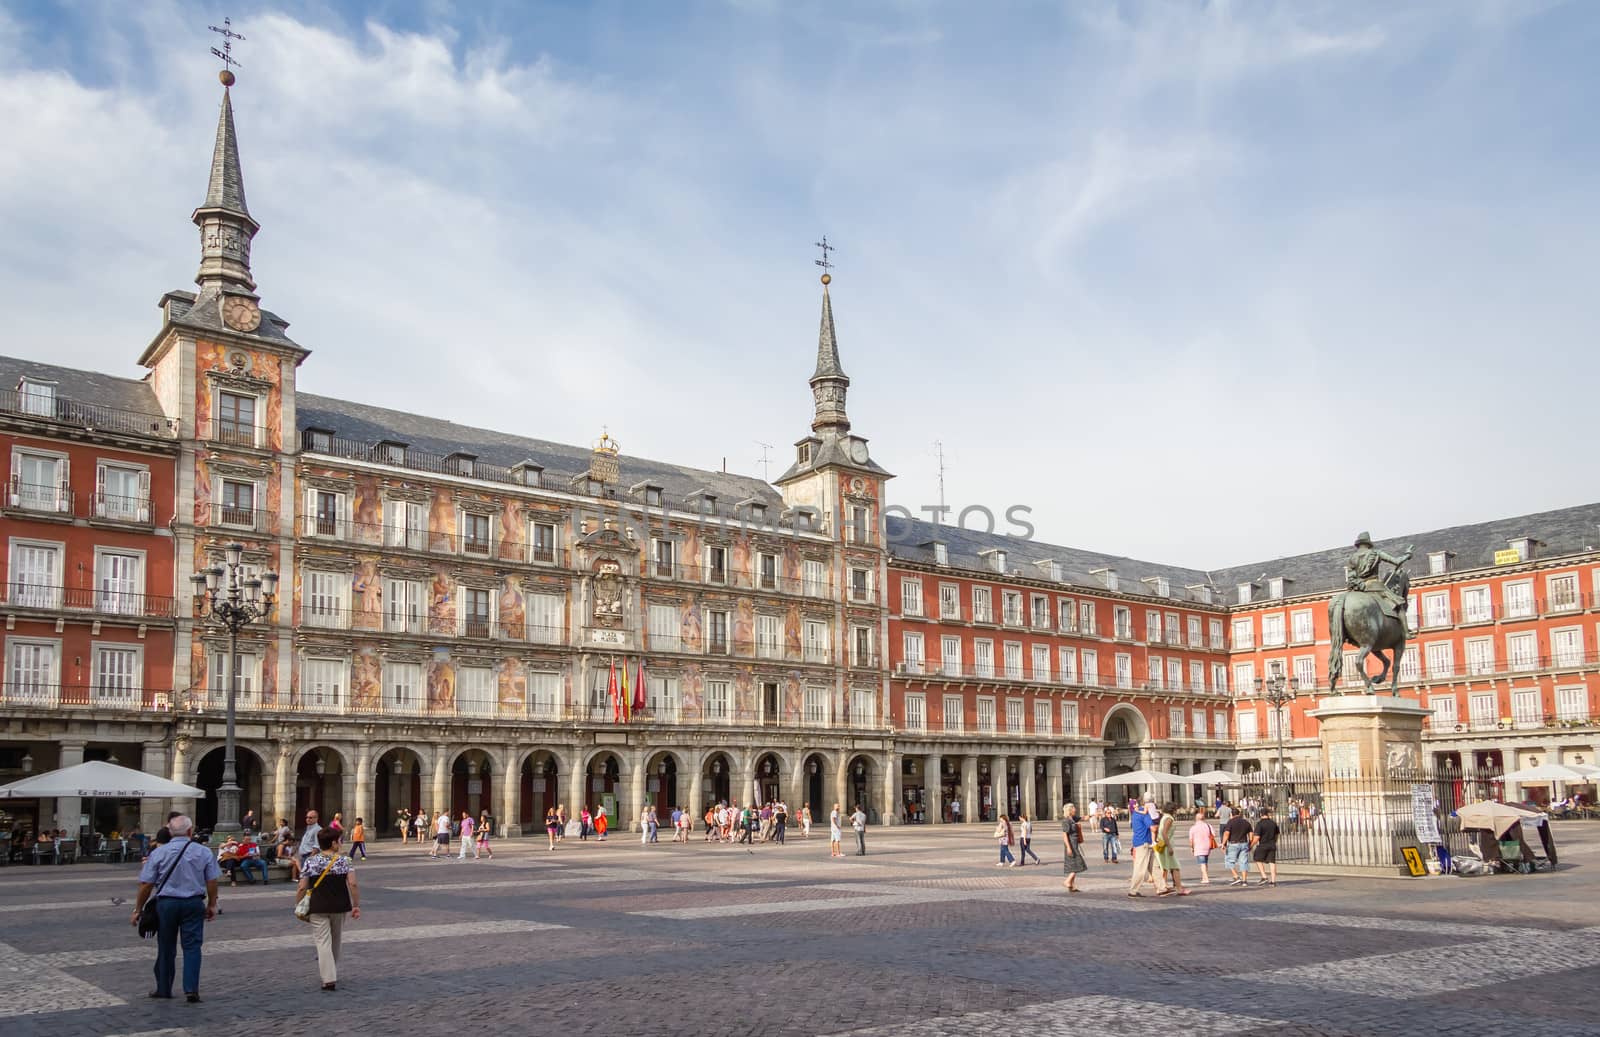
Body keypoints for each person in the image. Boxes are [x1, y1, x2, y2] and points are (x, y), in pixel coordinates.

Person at [129, 814, 219, 1003]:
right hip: (193, 903)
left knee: (166, 946)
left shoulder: (158, 853)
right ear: (190, 831)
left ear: (170, 832)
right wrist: (212, 904)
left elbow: (146, 884)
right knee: (193, 946)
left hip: (166, 903)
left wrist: (138, 909)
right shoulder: (203, 852)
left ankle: (164, 988)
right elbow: (211, 880)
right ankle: (191, 989)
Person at [298, 827, 360, 991]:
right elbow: (353, 884)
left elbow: (302, 887)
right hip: (339, 906)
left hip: (318, 906)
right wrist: (356, 905)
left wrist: (299, 903)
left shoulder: (311, 861)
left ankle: (328, 978)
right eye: (339, 840)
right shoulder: (345, 861)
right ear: (333, 843)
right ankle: (331, 971)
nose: (340, 843)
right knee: (336, 940)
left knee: (322, 941)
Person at [1126, 795, 1168, 898]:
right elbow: (1153, 828)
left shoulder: (1135, 812)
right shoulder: (1145, 815)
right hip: (1143, 843)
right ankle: (1133, 891)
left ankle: (1162, 888)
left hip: (1145, 842)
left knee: (1154, 866)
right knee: (1140, 868)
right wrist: (1160, 826)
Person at [1155, 803, 1188, 896]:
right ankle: (1179, 889)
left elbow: (1160, 831)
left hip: (1161, 844)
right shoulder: (1169, 818)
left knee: (1164, 866)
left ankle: (1162, 886)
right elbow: (1164, 832)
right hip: (1166, 845)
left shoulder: (1164, 817)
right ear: (1173, 810)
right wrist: (1169, 846)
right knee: (1175, 867)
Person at [1221, 807, 1253, 887]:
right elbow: (1251, 833)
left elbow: (1226, 833)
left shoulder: (1230, 822)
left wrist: (1223, 843)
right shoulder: (1246, 822)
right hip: (1244, 843)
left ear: (1231, 814)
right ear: (1239, 814)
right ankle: (1244, 880)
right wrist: (1250, 842)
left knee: (1229, 860)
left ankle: (1236, 876)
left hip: (1233, 843)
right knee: (1243, 862)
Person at [1251, 805, 1281, 887]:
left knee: (1257, 858)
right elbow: (1277, 834)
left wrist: (1251, 845)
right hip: (1272, 844)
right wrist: (1274, 841)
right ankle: (1273, 881)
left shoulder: (1260, 824)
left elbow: (1257, 837)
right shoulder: (1273, 823)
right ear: (1268, 814)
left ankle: (1264, 876)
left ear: (1261, 814)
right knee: (1272, 862)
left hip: (1263, 844)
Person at [1061, 803, 1087, 892]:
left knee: (1073, 864)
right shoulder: (1066, 821)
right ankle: (1067, 881)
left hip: (1074, 843)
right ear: (1070, 810)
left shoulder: (1073, 819)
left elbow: (1083, 818)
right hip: (1071, 844)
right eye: (1074, 808)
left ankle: (1072, 886)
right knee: (1078, 863)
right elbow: (1064, 835)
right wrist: (1068, 847)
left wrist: (1095, 814)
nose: (1075, 810)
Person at [1188, 807, 1217, 885]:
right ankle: (1204, 877)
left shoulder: (1193, 828)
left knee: (1202, 863)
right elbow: (1214, 834)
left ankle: (1206, 878)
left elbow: (1191, 840)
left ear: (1196, 819)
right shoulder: (1208, 825)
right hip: (1207, 846)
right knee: (1205, 862)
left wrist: (1191, 847)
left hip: (1198, 846)